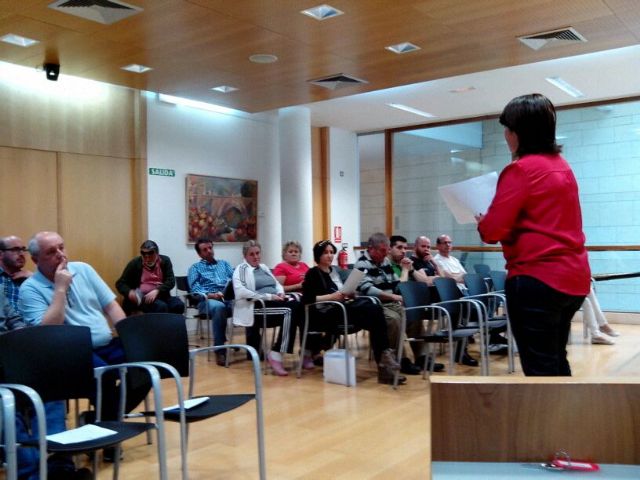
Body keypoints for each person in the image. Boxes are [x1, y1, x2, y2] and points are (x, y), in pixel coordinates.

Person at [477, 93, 590, 376]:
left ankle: (550, 408)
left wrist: (483, 220)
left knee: (540, 371)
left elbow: (492, 231)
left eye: (508, 129)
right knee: (556, 360)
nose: (506, 135)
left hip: (537, 278)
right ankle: (566, 407)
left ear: (519, 132)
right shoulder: (562, 166)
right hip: (573, 278)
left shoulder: (521, 170)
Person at [18, 231, 150, 438]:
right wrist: (60, 288)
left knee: (147, 366)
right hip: (69, 352)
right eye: (51, 252)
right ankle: (108, 433)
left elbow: (111, 306)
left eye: (62, 247)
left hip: (106, 343)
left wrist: (129, 336)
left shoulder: (83, 269)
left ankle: (100, 420)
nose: (60, 254)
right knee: (104, 376)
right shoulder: (30, 289)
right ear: (35, 260)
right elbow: (47, 332)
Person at [1, 289, 92, 480]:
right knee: (7, 405)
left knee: (49, 386)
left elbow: (14, 320)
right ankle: (31, 474)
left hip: (10, 357)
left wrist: (23, 339)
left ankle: (59, 468)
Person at [302, 240, 403, 385]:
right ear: (318, 255)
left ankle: (385, 361)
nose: (330, 255)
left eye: (331, 252)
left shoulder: (334, 271)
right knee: (373, 310)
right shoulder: (313, 273)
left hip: (341, 308)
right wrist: (332, 297)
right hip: (326, 313)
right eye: (325, 253)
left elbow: (341, 292)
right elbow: (307, 299)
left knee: (375, 311)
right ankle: (385, 362)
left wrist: (350, 293)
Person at [354, 233, 443, 375]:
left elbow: (396, 284)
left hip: (391, 301)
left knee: (414, 315)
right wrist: (393, 296)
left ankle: (422, 357)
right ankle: (400, 359)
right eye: (382, 250)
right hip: (375, 306)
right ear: (371, 249)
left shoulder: (385, 262)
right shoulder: (361, 264)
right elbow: (368, 290)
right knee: (394, 319)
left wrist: (400, 292)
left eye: (387, 250)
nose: (385, 254)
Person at [232, 240, 303, 376]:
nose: (256, 257)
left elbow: (277, 284)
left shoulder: (263, 268)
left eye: (258, 253)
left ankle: (307, 352)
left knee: (299, 307)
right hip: (254, 308)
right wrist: (269, 296)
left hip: (272, 303)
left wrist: (280, 292)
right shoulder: (241, 269)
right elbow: (241, 292)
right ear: (245, 256)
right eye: (252, 254)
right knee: (289, 311)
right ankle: (276, 354)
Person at [187, 238, 234, 366]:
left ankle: (253, 346)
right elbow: (195, 290)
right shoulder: (195, 268)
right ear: (199, 254)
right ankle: (220, 350)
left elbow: (235, 279)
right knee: (219, 307)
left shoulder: (224, 264)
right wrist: (212, 295)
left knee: (248, 304)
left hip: (227, 297)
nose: (209, 251)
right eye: (205, 249)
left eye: (210, 248)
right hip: (207, 300)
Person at [115, 240, 184, 315]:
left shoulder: (165, 261)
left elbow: (171, 281)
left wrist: (157, 290)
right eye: (144, 255)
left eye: (150, 255)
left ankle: (172, 323)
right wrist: (129, 292)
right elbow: (120, 283)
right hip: (143, 297)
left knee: (179, 305)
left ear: (157, 254)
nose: (147, 259)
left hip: (162, 295)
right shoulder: (135, 263)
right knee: (161, 307)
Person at [0, 235, 33, 310]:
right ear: (1, 254)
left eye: (23, 249)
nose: (22, 254)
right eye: (15, 250)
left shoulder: (29, 279)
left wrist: (34, 279)